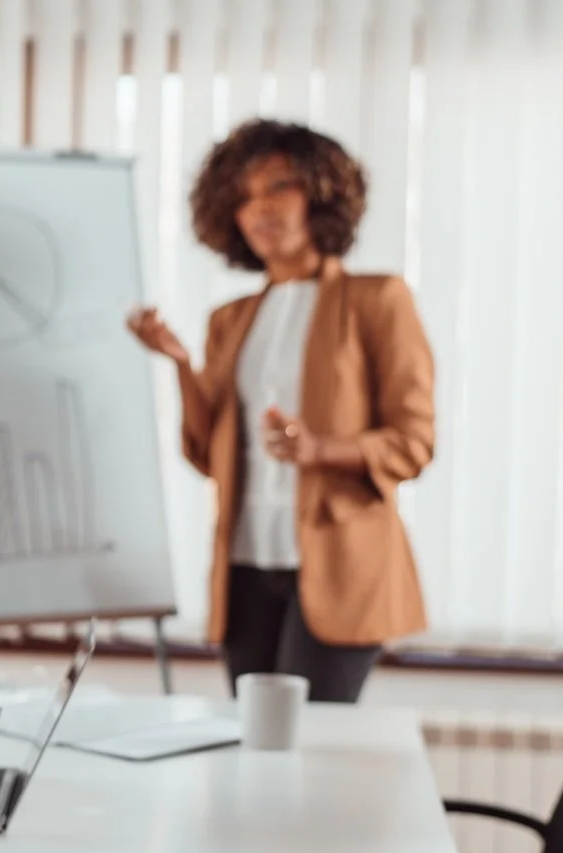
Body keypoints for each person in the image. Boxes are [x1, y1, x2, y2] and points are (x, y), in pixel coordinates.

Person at [127, 119, 435, 703]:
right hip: (245, 564)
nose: (260, 209)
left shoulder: (378, 300)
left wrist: (318, 449)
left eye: (278, 188)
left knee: (311, 746)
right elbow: (206, 454)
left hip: (341, 567)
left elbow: (413, 442)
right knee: (256, 745)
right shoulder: (230, 320)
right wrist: (181, 365)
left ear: (321, 194)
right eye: (243, 198)